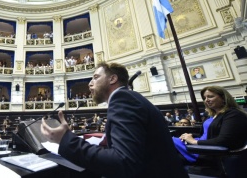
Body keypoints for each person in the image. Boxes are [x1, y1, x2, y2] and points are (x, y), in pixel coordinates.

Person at [41, 62, 188, 178]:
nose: (90, 83)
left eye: (96, 77)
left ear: (112, 79)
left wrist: (66, 140)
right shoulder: (129, 98)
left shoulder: (122, 99)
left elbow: (123, 162)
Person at [179, 86, 247, 150]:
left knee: (170, 146)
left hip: (208, 150)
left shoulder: (233, 114)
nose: (206, 100)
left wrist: (193, 141)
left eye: (210, 97)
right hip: (202, 145)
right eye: (204, 98)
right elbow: (207, 134)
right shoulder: (213, 115)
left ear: (223, 98)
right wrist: (189, 136)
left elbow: (224, 140)